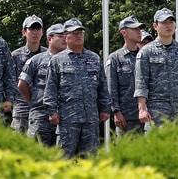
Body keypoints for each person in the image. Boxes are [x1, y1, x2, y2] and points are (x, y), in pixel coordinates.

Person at [43, 18, 110, 158]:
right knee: (64, 159)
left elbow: (103, 86)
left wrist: (105, 108)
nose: (79, 35)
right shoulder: (57, 60)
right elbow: (51, 88)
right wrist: (52, 111)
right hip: (67, 119)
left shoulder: (94, 58)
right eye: (74, 33)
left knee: (90, 159)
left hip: (90, 119)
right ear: (65, 36)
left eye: (80, 32)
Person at [134, 8, 178, 126]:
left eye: (171, 22)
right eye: (164, 23)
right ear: (155, 26)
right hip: (156, 111)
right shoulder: (146, 52)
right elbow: (141, 83)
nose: (168, 26)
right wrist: (142, 109)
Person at [18, 21, 66, 145]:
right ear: (50, 38)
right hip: (41, 116)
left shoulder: (70, 61)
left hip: (64, 116)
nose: (65, 39)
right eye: (60, 36)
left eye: (66, 36)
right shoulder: (36, 60)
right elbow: (22, 84)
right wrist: (34, 102)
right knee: (37, 154)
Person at [107, 16, 146, 135]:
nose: (139, 32)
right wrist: (116, 112)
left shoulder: (146, 55)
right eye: (135, 29)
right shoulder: (115, 58)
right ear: (124, 32)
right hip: (127, 117)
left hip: (148, 114)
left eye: (139, 29)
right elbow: (111, 87)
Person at [9, 15, 45, 133]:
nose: (35, 33)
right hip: (22, 108)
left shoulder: (49, 55)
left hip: (42, 109)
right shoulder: (15, 56)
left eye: (38, 29)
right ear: (24, 32)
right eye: (31, 29)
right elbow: (9, 81)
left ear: (42, 32)